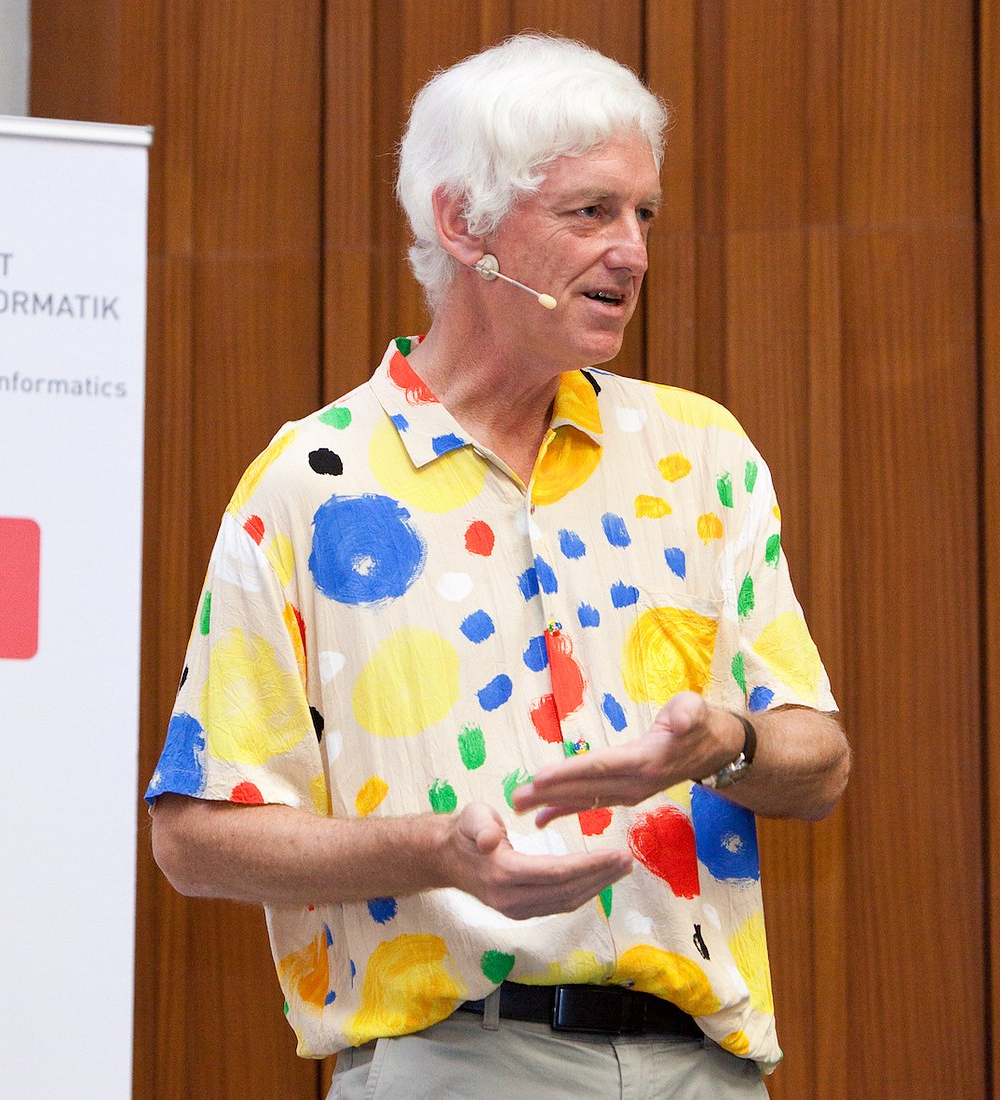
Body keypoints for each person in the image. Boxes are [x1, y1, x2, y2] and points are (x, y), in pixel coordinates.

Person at [146, 32, 849, 1099]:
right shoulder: (313, 482)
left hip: (703, 1068)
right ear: (462, 223)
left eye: (643, 214)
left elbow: (820, 758)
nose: (633, 251)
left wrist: (724, 738)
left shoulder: (702, 455)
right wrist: (440, 850)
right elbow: (196, 837)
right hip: (456, 1063)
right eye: (589, 211)